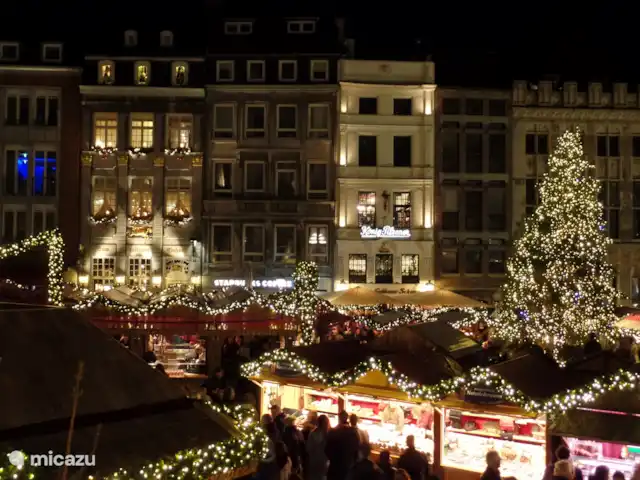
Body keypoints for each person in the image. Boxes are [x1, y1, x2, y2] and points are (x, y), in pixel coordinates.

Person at [325, 410, 360, 480]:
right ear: (347, 418)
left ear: (339, 418)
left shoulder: (332, 432)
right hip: (347, 466)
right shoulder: (353, 433)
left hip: (334, 466)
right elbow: (356, 451)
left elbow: (326, 450)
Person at [306, 415, 330, 480]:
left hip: (314, 461)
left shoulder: (313, 433)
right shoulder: (328, 434)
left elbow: (308, 448)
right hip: (323, 462)